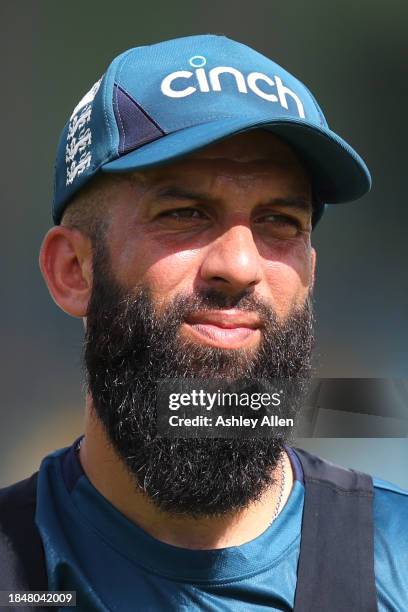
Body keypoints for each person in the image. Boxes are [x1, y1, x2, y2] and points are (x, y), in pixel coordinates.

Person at [0, 34, 407, 612]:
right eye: (184, 214)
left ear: (310, 272)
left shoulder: (397, 562)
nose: (239, 266)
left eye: (279, 220)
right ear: (73, 270)